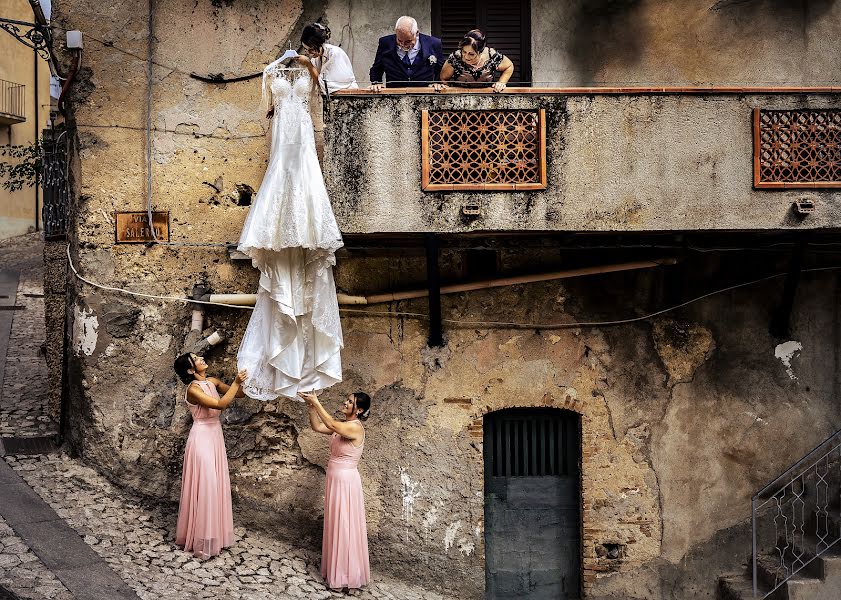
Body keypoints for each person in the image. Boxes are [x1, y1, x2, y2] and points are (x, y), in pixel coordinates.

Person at [173, 353, 246, 559]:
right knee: (207, 484)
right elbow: (220, 405)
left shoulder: (212, 381)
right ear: (190, 370)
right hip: (202, 437)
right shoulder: (194, 390)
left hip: (215, 435)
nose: (202, 358)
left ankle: (215, 536)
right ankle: (201, 539)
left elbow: (238, 395)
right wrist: (236, 382)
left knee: (216, 485)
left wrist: (244, 382)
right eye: (196, 358)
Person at [299, 390, 371, 592]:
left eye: (351, 402)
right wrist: (312, 408)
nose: (346, 403)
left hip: (346, 482)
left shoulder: (355, 428)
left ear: (360, 410)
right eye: (346, 400)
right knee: (337, 523)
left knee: (345, 525)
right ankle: (337, 571)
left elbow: (330, 423)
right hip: (335, 479)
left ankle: (347, 576)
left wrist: (317, 400)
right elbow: (318, 426)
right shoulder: (342, 425)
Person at [369, 16, 444, 89]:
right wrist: (376, 83)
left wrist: (438, 83)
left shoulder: (433, 43)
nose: (403, 45)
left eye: (408, 41)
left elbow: (440, 68)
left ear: (417, 33)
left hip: (424, 94)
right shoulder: (385, 42)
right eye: (399, 40)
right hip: (395, 94)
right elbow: (377, 68)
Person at [439, 29, 514, 93]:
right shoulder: (455, 57)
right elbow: (444, 78)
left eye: (471, 54)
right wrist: (446, 89)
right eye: (464, 52)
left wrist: (501, 82)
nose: (466, 57)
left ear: (480, 52)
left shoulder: (491, 56)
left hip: (487, 98)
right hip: (460, 98)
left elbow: (509, 66)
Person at [299, 22, 358, 95]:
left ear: (320, 44)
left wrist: (308, 64)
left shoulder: (334, 53)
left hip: (347, 98)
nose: (308, 53)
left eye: (311, 49)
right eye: (305, 49)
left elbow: (326, 86)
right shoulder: (315, 59)